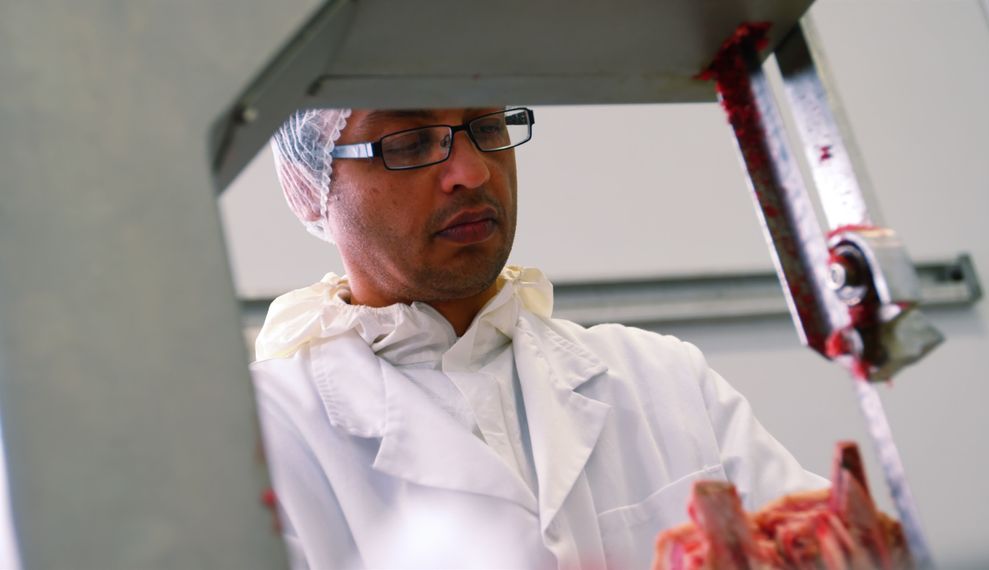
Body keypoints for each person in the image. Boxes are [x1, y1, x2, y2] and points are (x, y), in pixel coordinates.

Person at [251, 106, 826, 569]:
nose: (472, 172)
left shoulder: (662, 378)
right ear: (311, 182)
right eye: (410, 143)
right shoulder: (265, 433)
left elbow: (827, 549)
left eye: (488, 128)